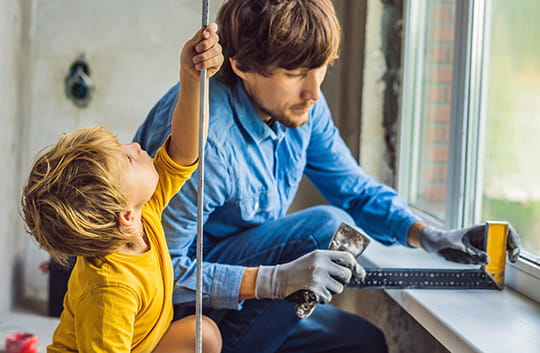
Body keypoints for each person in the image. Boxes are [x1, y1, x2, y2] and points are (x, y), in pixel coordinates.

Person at [133, 1, 521, 352]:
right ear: (241, 66)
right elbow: (156, 271)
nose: (314, 91)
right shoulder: (208, 140)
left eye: (321, 67)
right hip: (183, 318)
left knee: (362, 344)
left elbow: (352, 188)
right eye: (294, 73)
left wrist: (431, 236)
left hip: (248, 298)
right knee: (325, 227)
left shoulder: (301, 106)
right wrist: (270, 282)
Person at [21, 23, 224, 353]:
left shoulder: (142, 214)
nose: (135, 146)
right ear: (125, 216)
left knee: (204, 334)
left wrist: (190, 79)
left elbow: (186, 151)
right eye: (129, 159)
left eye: (123, 147)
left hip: (142, 343)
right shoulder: (109, 290)